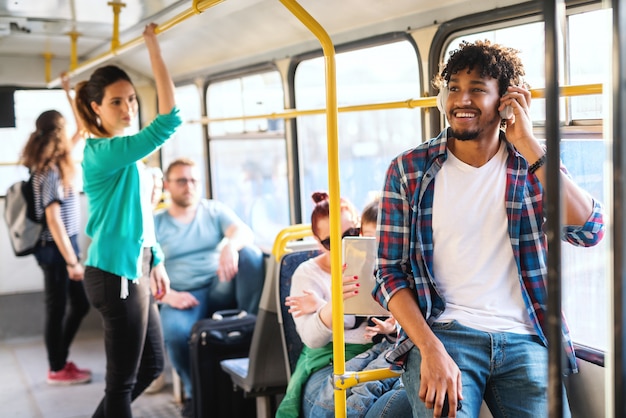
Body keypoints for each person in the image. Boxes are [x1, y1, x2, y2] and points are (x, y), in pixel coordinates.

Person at [373, 40, 606, 418]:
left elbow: (590, 230)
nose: (461, 100)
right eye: (453, 89)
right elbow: (388, 273)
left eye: (477, 89)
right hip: (443, 334)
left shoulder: (531, 166)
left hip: (525, 339)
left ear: (506, 101)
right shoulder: (410, 170)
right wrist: (429, 350)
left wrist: (528, 142)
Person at [75, 23, 181, 418]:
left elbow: (139, 215)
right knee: (121, 382)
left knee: (151, 365)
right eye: (117, 102)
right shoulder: (104, 151)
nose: (128, 108)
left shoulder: (125, 154)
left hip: (134, 268)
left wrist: (157, 259)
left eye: (132, 99)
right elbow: (169, 119)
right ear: (96, 108)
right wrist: (152, 45)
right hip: (113, 273)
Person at [276, 192, 410, 418]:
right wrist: (331, 303)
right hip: (328, 363)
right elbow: (312, 338)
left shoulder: (387, 264)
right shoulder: (307, 274)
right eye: (330, 241)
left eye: (349, 235)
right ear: (318, 242)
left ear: (361, 230)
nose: (340, 246)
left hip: (381, 352)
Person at [154, 158, 265, 417]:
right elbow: (142, 270)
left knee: (250, 254)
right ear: (168, 186)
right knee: (176, 332)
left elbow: (243, 232)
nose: (189, 186)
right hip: (181, 294)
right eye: (181, 180)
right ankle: (197, 392)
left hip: (218, 285)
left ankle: (252, 325)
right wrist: (168, 296)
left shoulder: (213, 211)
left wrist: (229, 245)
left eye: (193, 180)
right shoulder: (156, 223)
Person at [20, 73, 90, 386]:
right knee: (61, 306)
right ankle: (57, 367)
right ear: (58, 134)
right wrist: (73, 260)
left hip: (61, 246)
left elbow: (84, 129)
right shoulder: (49, 171)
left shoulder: (54, 160)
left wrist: (68, 91)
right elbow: (54, 220)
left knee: (74, 304)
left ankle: (60, 361)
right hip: (57, 248)